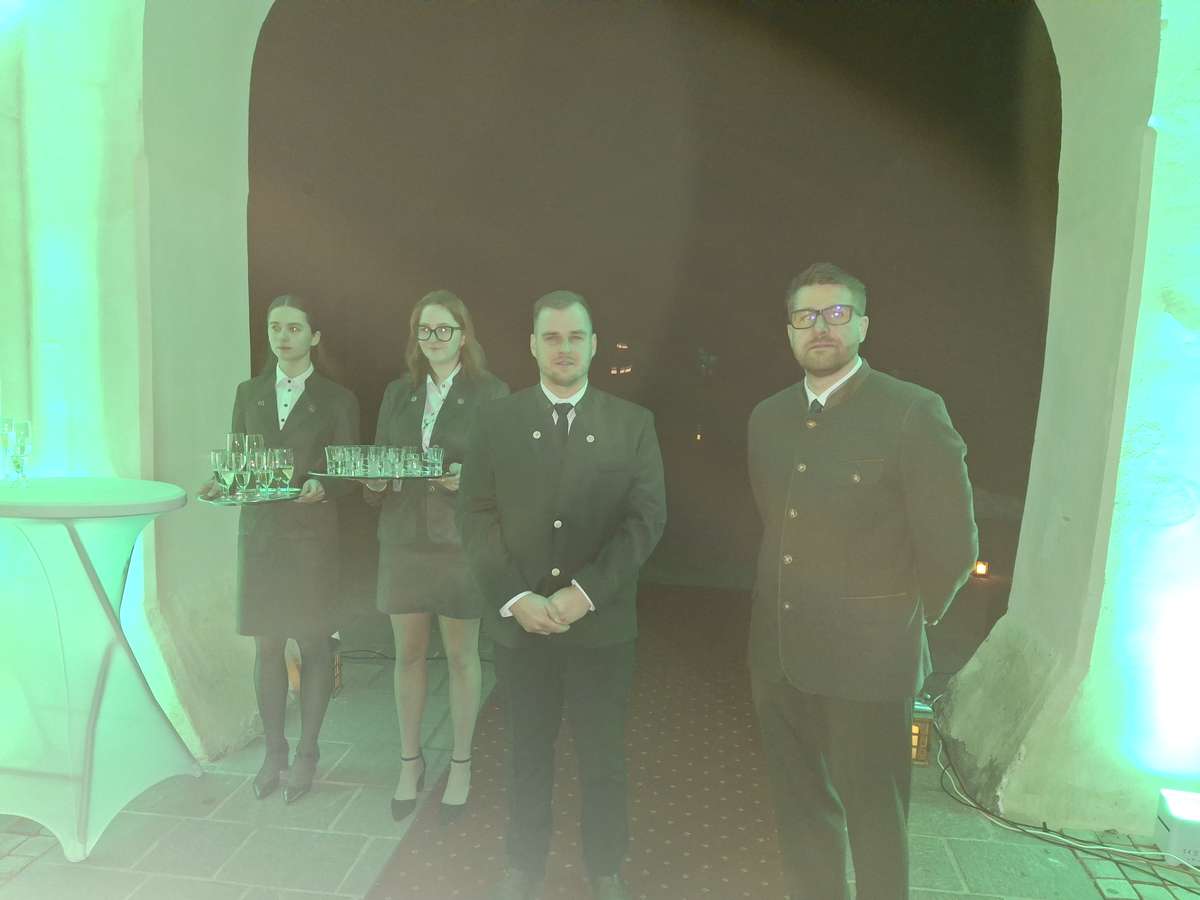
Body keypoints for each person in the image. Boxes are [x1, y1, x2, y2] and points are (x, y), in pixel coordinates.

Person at [747, 263, 977, 900]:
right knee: (800, 813)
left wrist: (905, 620)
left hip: (870, 664)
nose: (820, 327)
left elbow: (953, 544)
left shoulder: (911, 410)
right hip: (779, 654)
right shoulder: (768, 417)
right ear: (789, 330)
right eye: (805, 316)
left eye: (837, 313)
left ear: (864, 324)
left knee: (876, 819)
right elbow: (776, 522)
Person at [459, 291, 666, 900]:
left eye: (576, 336)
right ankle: (523, 866)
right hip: (521, 626)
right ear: (532, 345)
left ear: (594, 344)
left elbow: (645, 521)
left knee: (602, 756)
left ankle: (605, 868)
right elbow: (475, 516)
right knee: (526, 752)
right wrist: (514, 596)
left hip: (601, 629)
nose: (564, 348)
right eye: (551, 337)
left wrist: (586, 593)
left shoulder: (632, 424)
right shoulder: (496, 421)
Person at [205, 294, 360, 804]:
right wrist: (223, 483)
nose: (283, 336)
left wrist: (324, 484)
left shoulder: (338, 399)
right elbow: (239, 460)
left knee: (313, 644)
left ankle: (308, 753)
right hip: (261, 538)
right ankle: (275, 752)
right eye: (275, 327)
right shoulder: (248, 393)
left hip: (311, 540)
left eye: (294, 328)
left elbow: (347, 471)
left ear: (314, 337)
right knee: (267, 646)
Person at [362, 290, 508, 822]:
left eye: (444, 329)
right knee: (407, 655)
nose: (434, 338)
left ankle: (461, 764)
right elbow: (380, 461)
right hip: (402, 540)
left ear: (463, 335)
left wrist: (470, 481)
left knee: (463, 656)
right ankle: (410, 762)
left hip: (457, 545)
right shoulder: (397, 393)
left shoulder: (491, 393)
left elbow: (506, 474)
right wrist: (375, 481)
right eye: (425, 330)